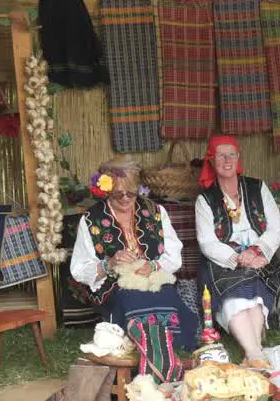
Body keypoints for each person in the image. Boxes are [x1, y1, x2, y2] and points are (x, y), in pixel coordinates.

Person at [69, 157, 198, 376]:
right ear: (106, 190)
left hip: (152, 278)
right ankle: (152, 354)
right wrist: (109, 263)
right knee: (132, 300)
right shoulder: (92, 219)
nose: (127, 199)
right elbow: (79, 268)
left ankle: (169, 348)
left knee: (166, 297)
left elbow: (174, 253)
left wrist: (154, 266)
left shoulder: (155, 212)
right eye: (119, 194)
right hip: (115, 286)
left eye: (132, 193)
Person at [194, 135, 280, 368]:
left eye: (231, 154)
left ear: (238, 158)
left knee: (255, 298)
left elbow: (276, 227)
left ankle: (252, 355)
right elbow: (207, 242)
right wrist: (237, 258)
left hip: (260, 258)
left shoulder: (258, 188)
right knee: (237, 296)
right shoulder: (205, 199)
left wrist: (256, 251)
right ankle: (256, 354)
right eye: (221, 155)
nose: (227, 160)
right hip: (223, 262)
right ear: (212, 161)